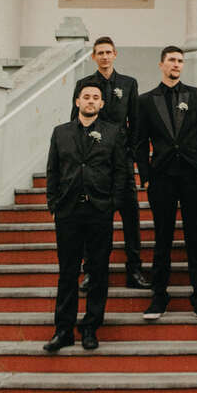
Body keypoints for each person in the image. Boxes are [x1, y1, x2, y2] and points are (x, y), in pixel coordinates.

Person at [133, 46, 197, 324]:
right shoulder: (146, 100)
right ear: (161, 65)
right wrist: (144, 175)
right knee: (162, 238)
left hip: (194, 176)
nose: (177, 65)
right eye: (172, 60)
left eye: (180, 61)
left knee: (196, 238)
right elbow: (139, 141)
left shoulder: (196, 95)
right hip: (162, 176)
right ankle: (159, 295)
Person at [43, 83, 127, 352]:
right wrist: (53, 202)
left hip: (99, 211)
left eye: (96, 98)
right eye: (86, 97)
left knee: (98, 272)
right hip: (68, 212)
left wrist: (112, 203)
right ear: (77, 101)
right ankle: (63, 330)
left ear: (102, 104)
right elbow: (53, 171)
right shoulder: (60, 133)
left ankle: (90, 327)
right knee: (67, 273)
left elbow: (120, 172)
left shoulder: (112, 133)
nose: (91, 101)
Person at [71, 35, 150, 290]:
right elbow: (75, 124)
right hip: (92, 162)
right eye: (100, 53)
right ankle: (91, 271)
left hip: (121, 161)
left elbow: (137, 125)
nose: (105, 57)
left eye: (108, 52)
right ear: (94, 57)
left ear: (115, 54)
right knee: (91, 218)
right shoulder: (84, 85)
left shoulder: (128, 84)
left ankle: (134, 270)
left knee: (131, 217)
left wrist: (133, 159)